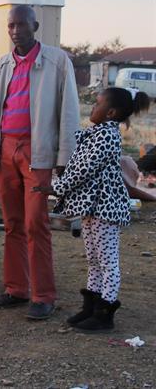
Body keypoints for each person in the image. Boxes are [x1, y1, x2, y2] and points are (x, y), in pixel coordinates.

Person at [0, 5, 80, 320]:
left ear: (34, 26)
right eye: (11, 25)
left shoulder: (57, 61)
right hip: (6, 150)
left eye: (21, 24)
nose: (15, 30)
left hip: (38, 152)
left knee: (36, 223)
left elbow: (69, 110)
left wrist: (64, 156)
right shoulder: (1, 66)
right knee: (12, 224)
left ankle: (44, 295)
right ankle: (16, 289)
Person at [34, 88, 150, 331]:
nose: (92, 109)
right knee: (94, 259)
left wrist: (56, 187)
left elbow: (84, 168)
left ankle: (105, 312)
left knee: (107, 262)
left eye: (97, 105)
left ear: (110, 112)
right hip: (92, 207)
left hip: (105, 208)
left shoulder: (108, 136)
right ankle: (91, 306)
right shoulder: (97, 132)